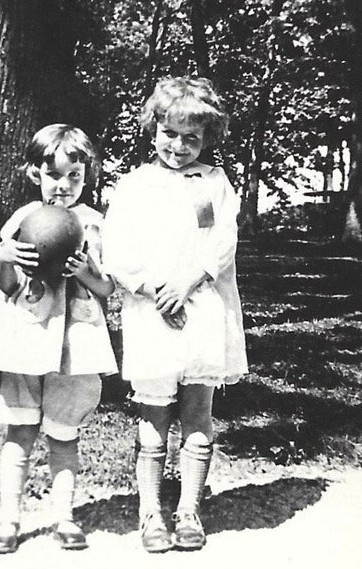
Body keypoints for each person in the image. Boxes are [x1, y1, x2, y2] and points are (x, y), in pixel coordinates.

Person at [103, 77, 248, 552]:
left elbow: (222, 241)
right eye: (171, 133)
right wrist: (151, 286)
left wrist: (189, 281)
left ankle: (189, 509)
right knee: (155, 411)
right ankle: (151, 511)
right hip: (151, 312)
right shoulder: (135, 184)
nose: (180, 146)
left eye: (192, 137)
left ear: (207, 137)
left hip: (201, 305)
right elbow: (117, 249)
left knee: (197, 411)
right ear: (154, 128)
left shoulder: (214, 182)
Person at [0, 124, 118, 554]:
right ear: (34, 174)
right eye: (53, 175)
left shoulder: (95, 224)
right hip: (26, 338)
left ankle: (64, 516)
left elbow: (107, 289)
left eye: (74, 177)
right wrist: (3, 256)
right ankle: (9, 518)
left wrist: (85, 270)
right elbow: (7, 285)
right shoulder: (22, 219)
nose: (63, 186)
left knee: (64, 433)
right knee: (19, 430)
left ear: (88, 175)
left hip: (75, 346)